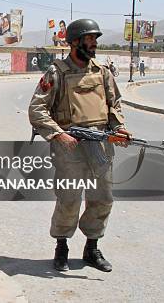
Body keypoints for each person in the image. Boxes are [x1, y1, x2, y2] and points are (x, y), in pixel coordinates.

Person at [29, 19, 132, 273]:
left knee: (102, 198)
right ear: (74, 42)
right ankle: (62, 247)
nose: (94, 43)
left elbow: (114, 105)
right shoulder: (57, 72)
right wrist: (57, 134)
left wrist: (118, 128)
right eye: (89, 39)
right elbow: (37, 109)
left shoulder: (102, 71)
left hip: (100, 144)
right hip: (70, 146)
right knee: (69, 198)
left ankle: (92, 248)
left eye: (95, 39)